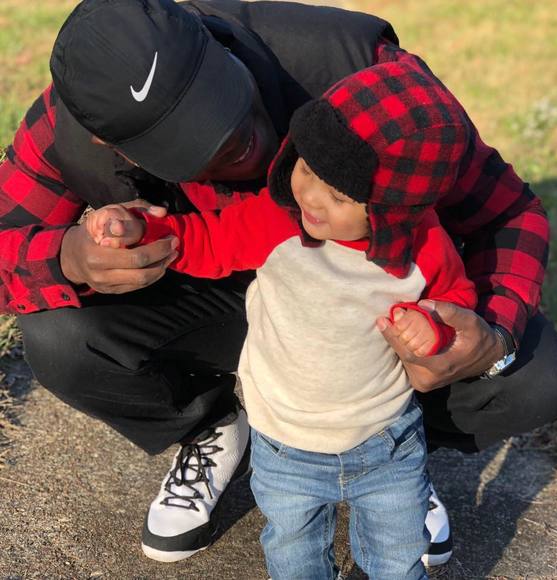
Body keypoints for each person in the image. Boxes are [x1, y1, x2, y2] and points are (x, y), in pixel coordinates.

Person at [0, 0, 557, 567]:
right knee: (61, 337)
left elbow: (508, 212)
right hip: (222, 293)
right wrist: (69, 258)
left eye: (220, 98)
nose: (235, 141)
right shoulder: (72, 121)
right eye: (187, 143)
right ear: (110, 144)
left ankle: (393, 456)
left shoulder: (364, 73)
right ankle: (213, 425)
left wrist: (490, 335)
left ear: (211, 36)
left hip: (374, 322)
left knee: (528, 376)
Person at [84, 59, 478, 579]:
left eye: (339, 196)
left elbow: (457, 299)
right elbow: (207, 240)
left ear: (394, 210)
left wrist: (433, 324)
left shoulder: (423, 247)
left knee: (398, 558)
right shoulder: (280, 221)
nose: (310, 195)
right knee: (293, 555)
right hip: (284, 441)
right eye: (306, 169)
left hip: (386, 440)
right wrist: (141, 231)